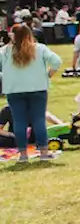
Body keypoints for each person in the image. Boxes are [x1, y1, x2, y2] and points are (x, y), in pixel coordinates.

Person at [0, 24, 63, 160]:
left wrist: (5, 77)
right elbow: (57, 61)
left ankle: (23, 155)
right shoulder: (39, 48)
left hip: (14, 90)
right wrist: (48, 75)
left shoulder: (4, 51)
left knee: (19, 122)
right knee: (39, 120)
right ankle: (44, 154)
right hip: (38, 88)